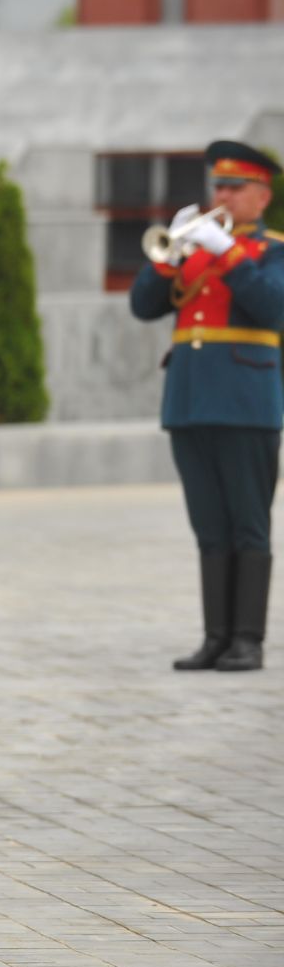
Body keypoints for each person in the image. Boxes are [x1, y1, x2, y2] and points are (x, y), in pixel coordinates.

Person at [130, 139, 284, 673]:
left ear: (261, 197)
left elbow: (273, 308)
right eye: (218, 186)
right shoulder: (192, 251)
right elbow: (142, 307)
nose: (222, 195)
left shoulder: (272, 251)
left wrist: (230, 253)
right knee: (209, 528)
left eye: (234, 187)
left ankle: (248, 640)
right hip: (190, 402)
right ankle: (215, 637)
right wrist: (169, 257)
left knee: (248, 524)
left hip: (246, 403)